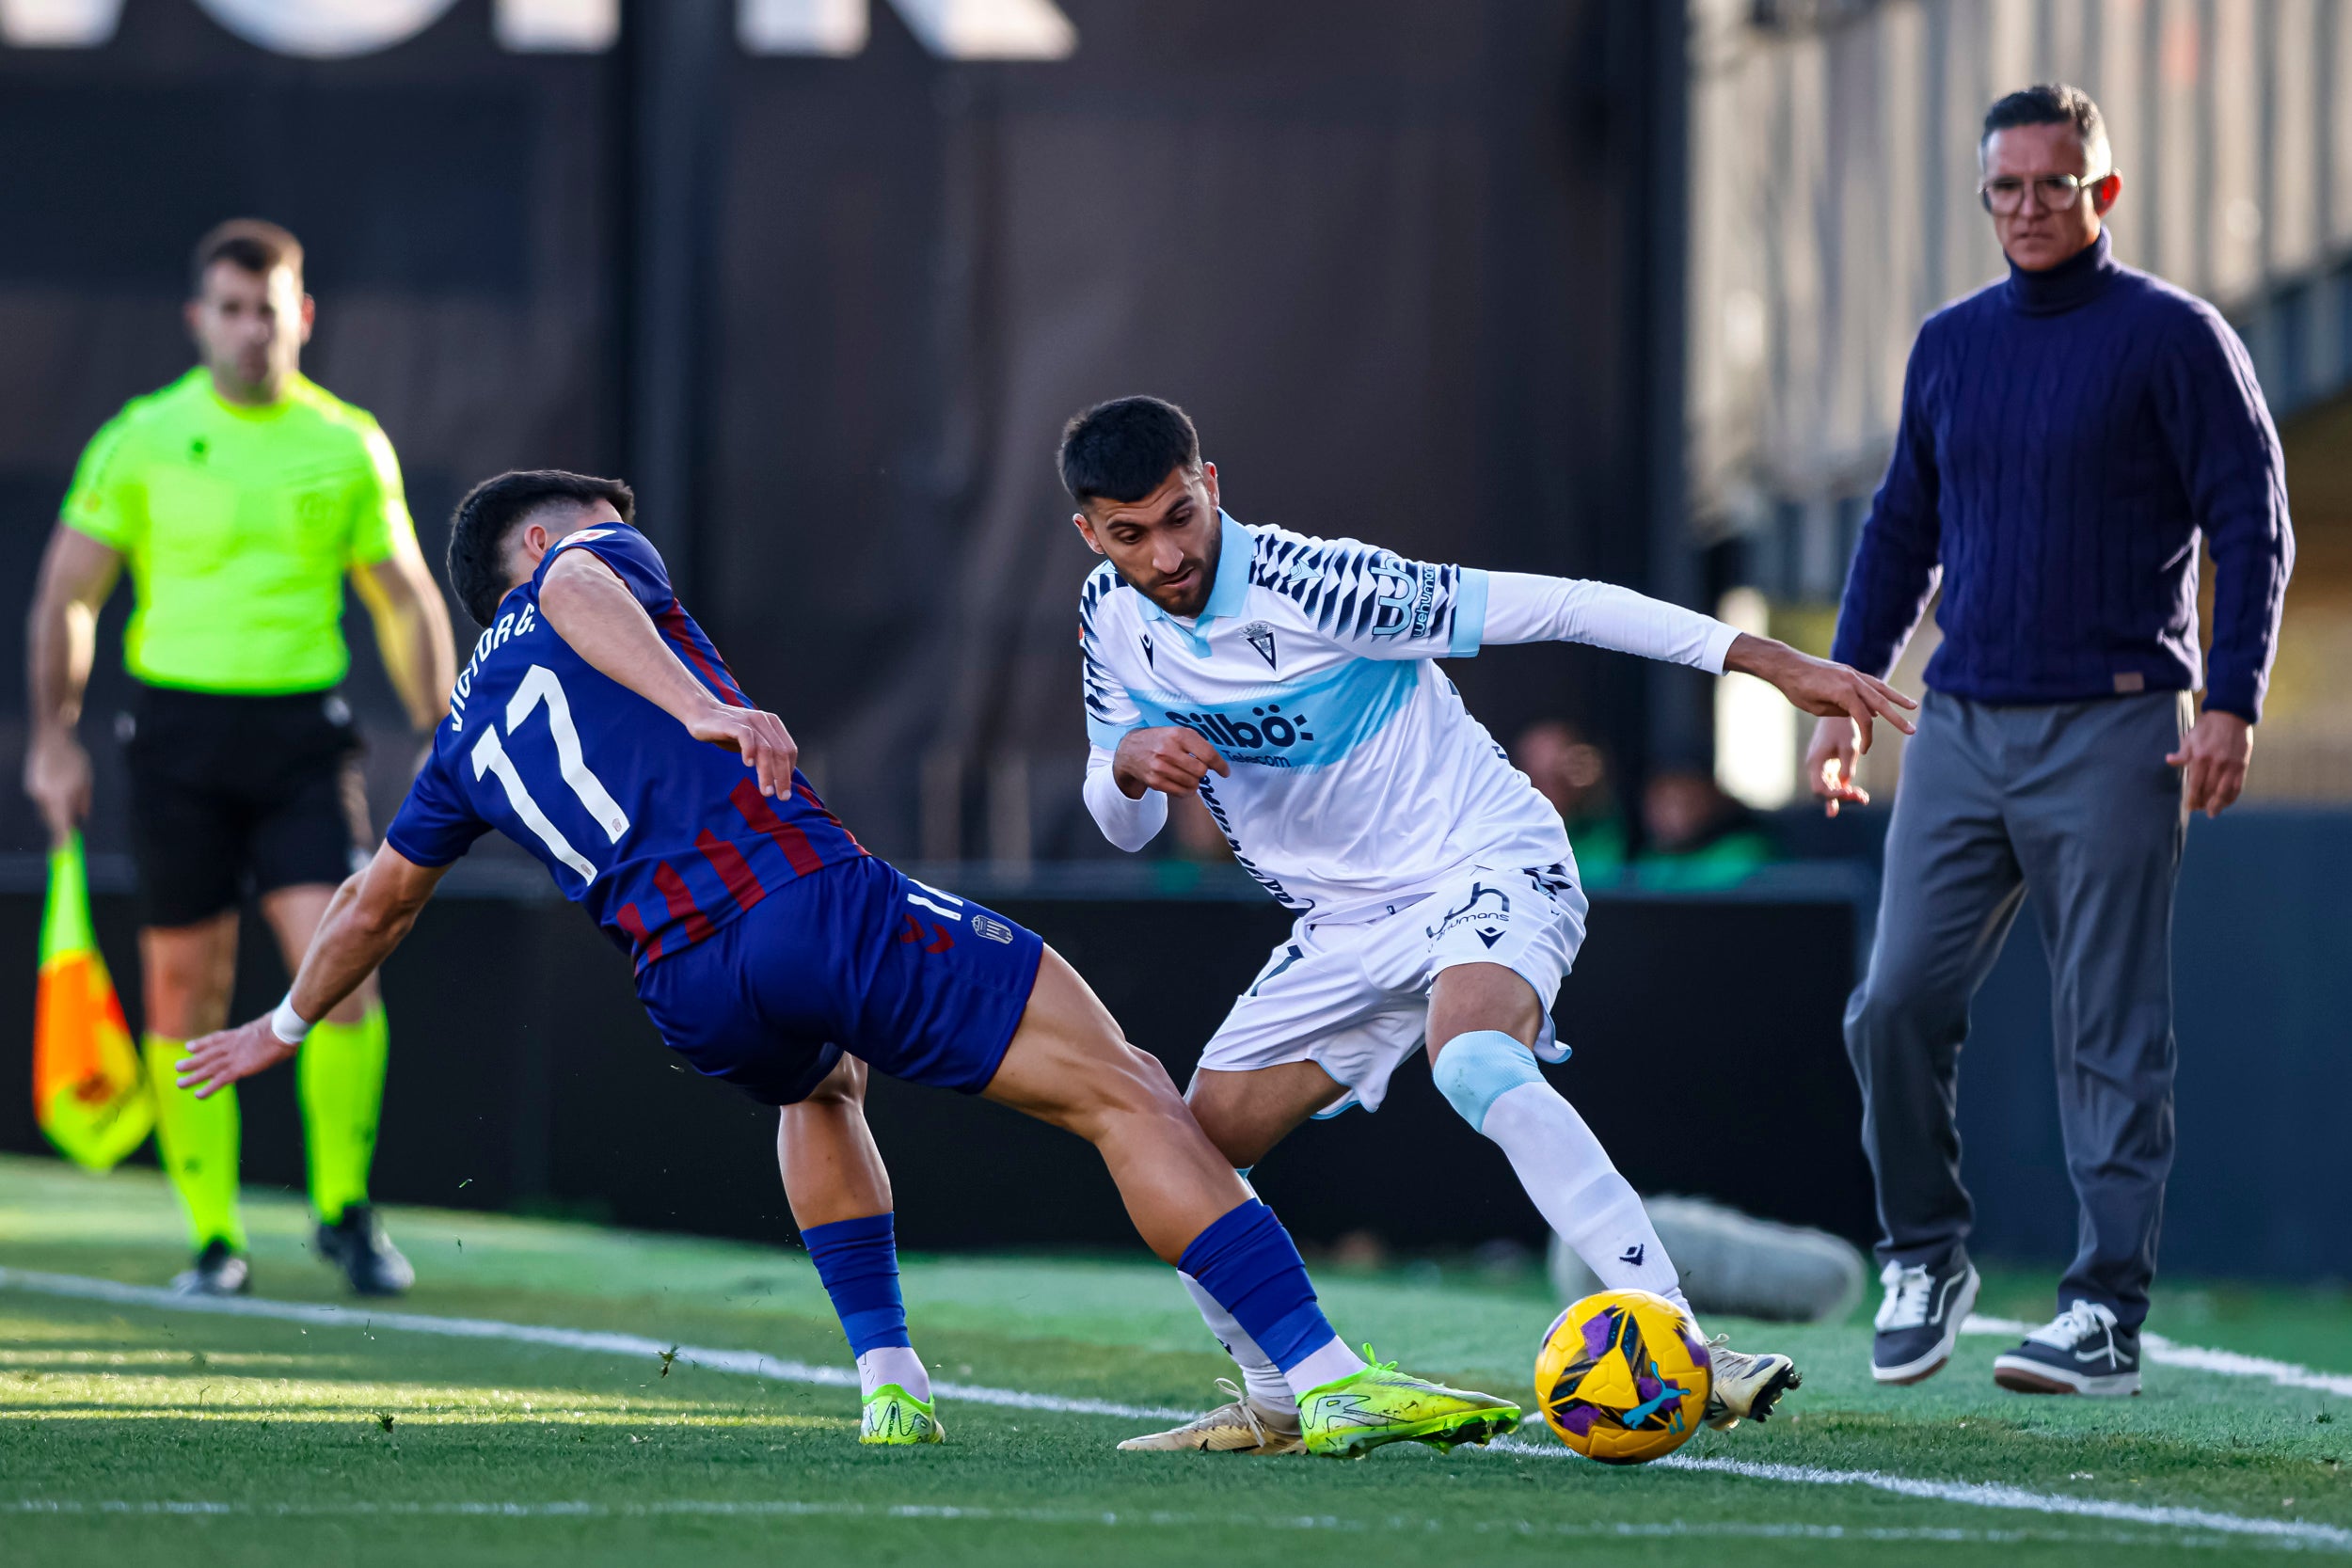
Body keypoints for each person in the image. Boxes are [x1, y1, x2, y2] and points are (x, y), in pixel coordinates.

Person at [176, 468, 1525, 1457]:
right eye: (601, 517)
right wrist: (704, 701)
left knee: (820, 1088)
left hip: (689, 992)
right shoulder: (581, 571)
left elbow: (374, 903)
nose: (627, 537)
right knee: (1127, 1085)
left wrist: (282, 1027)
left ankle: (889, 1376)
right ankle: (1325, 1375)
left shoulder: (464, 740)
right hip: (803, 902)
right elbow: (580, 583)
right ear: (530, 542)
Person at [1060, 396, 1915, 1453]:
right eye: (1132, 533)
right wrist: (1126, 768)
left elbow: (1563, 604)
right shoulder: (1109, 613)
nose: (1168, 551)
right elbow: (1127, 824)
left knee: (1468, 1056)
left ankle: (1689, 1342)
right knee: (1185, 1141)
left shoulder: (1322, 584)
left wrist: (1770, 662)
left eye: (1180, 515)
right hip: (1339, 923)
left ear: (1212, 485)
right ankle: (1276, 1391)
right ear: (1091, 534)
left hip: (1482, 857)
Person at [1811, 86, 2293, 1397]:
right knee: (1894, 1001)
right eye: (2006, 188)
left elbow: (2254, 526)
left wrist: (2234, 698)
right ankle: (1925, 1252)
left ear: (2105, 195)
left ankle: (2103, 1306)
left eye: (2055, 185)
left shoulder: (2174, 339)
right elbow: (1901, 529)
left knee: (2109, 1030)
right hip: (1963, 720)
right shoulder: (1950, 345)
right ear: (1984, 197)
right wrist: (1852, 692)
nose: (2030, 208)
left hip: (2121, 721)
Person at [24, 220, 454, 1297]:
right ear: (198, 319)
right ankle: (215, 1237)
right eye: (230, 308)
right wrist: (51, 734)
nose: (250, 329)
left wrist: (450, 728)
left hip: (302, 740)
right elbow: (66, 597)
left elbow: (402, 596)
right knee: (183, 987)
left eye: (269, 309)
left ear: (300, 315)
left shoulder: (347, 442)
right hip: (174, 741)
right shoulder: (143, 437)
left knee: (342, 961)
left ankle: (346, 1212)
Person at [1509, 721, 1628, 883]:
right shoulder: (1508, 832)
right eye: (1540, 775)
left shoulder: (1601, 827)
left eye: (1557, 776)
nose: (1550, 783)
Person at [1632, 767, 1775, 891]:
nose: (1666, 814)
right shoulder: (1653, 857)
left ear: (1711, 800)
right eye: (1658, 804)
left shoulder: (1745, 852)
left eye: (1680, 802)